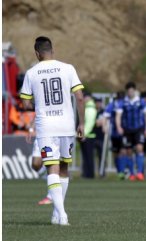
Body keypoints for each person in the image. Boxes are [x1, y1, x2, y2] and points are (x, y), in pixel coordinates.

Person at [20, 36, 85, 226]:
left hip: (46, 126)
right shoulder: (68, 68)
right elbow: (80, 98)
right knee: (64, 168)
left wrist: (38, 105)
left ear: (37, 53)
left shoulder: (32, 72)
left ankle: (61, 214)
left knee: (52, 168)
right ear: (52, 50)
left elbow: (25, 103)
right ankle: (58, 214)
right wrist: (81, 124)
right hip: (66, 125)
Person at [116, 82, 146, 181]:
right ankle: (131, 173)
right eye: (129, 91)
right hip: (127, 130)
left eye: (132, 90)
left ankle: (139, 173)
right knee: (128, 151)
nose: (130, 92)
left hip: (138, 129)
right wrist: (119, 127)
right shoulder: (123, 102)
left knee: (140, 148)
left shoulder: (141, 101)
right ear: (127, 92)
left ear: (135, 91)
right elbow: (118, 115)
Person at [26, 121, 52, 205]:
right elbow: (37, 112)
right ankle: (55, 180)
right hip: (41, 135)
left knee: (51, 164)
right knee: (36, 164)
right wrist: (31, 129)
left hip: (54, 133)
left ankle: (51, 195)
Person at [103, 91, 125, 178]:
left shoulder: (124, 104)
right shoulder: (112, 105)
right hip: (115, 132)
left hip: (125, 130)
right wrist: (104, 126)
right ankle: (120, 171)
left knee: (123, 151)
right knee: (117, 152)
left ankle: (123, 171)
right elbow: (105, 115)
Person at [80, 91, 97, 179]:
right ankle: (87, 173)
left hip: (88, 136)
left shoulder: (90, 108)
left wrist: (83, 134)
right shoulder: (88, 107)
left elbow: (89, 124)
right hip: (87, 136)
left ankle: (89, 174)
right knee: (86, 156)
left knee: (88, 156)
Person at [94, 97, 105, 177]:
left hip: (101, 137)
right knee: (91, 156)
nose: (98, 104)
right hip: (92, 136)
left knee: (102, 156)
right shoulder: (92, 111)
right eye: (97, 102)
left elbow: (100, 123)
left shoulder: (103, 112)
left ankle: (102, 173)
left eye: (99, 102)